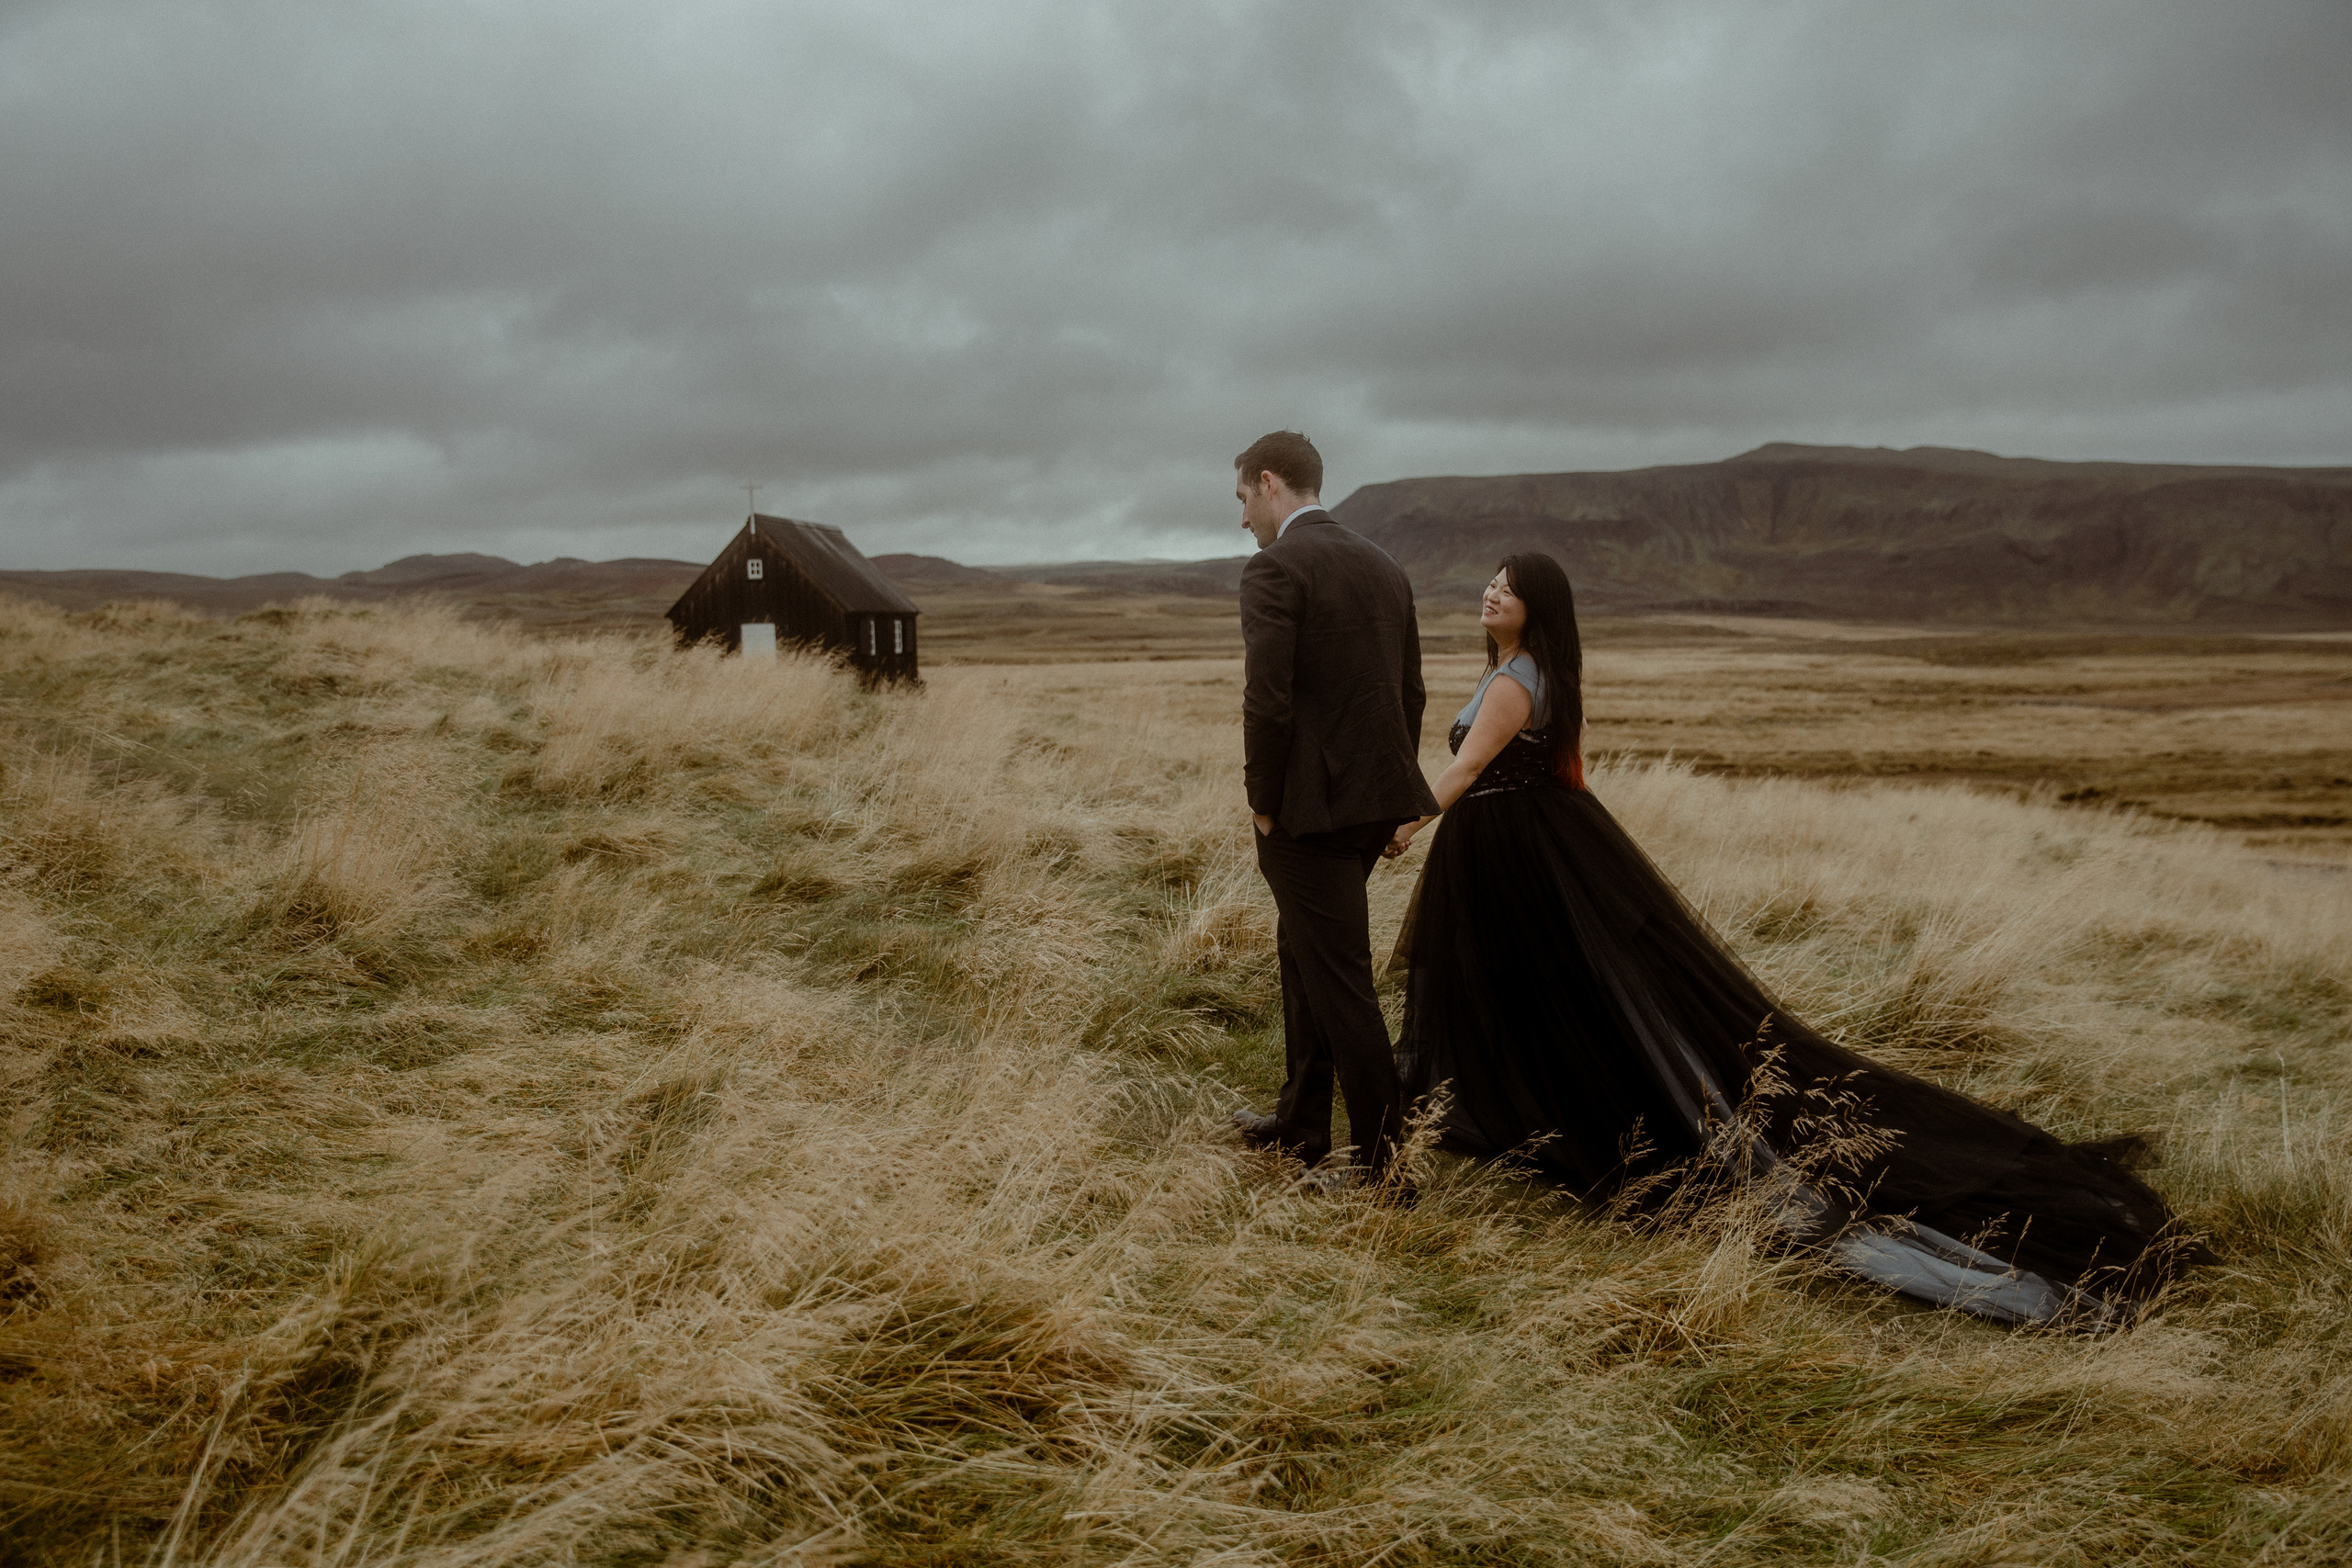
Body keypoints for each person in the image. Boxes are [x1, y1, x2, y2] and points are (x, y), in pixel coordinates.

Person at [1383, 551, 2197, 1324]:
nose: (1491, 595)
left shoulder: (1511, 683)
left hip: (1514, 854)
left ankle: (1530, 1108)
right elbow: (1566, 774)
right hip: (1531, 848)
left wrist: (1408, 824)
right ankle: (1515, 1099)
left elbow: (1461, 773)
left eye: (1508, 589)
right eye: (1490, 583)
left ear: (1538, 609)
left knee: (1556, 992)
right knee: (1560, 991)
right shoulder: (1540, 673)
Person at [1228, 431, 1439, 1185]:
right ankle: (1301, 1122)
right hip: (1365, 808)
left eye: (1244, 498)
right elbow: (1408, 691)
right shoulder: (1386, 566)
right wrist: (1386, 796)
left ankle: (1387, 1163)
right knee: (1305, 954)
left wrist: (1262, 803)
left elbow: (1268, 701)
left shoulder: (1274, 568)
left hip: (1303, 817)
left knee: (1340, 978)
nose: (1243, 516)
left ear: (1270, 481)